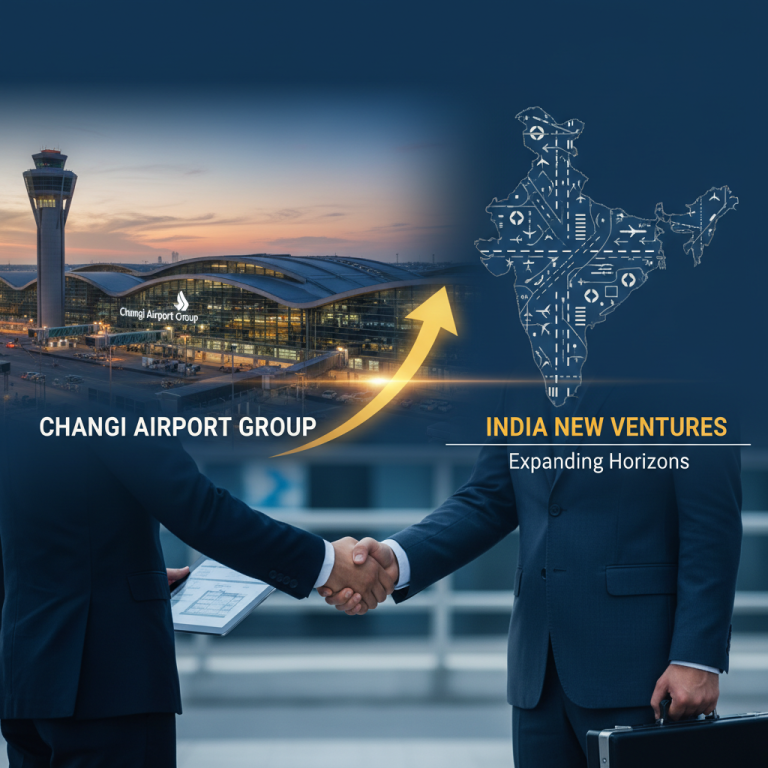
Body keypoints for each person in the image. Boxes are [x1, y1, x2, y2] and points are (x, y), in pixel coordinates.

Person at [321, 383, 743, 768]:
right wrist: (397, 559)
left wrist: (697, 656)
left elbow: (711, 522)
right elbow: (490, 495)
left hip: (642, 673)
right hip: (538, 675)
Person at [0, 411, 392, 768]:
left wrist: (122, 570)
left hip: (27, 679)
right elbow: (196, 507)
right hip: (106, 681)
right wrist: (324, 562)